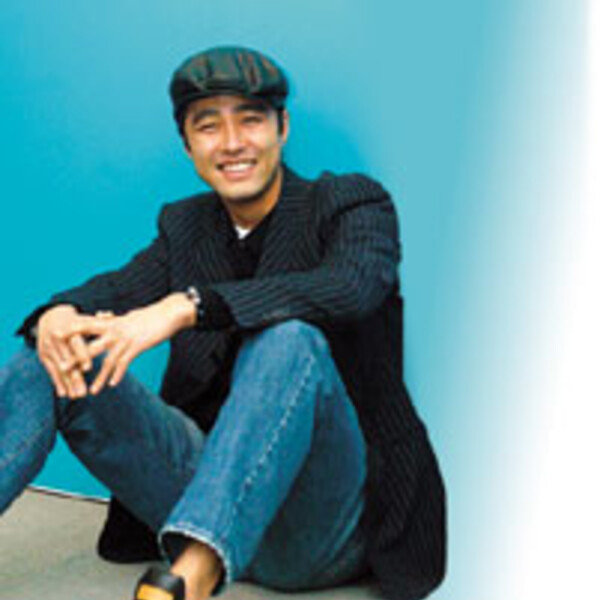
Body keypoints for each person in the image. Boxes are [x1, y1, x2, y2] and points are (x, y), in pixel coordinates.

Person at [0, 46, 446, 600]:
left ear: (282, 128)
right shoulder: (186, 227)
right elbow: (115, 288)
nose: (232, 143)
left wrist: (188, 306)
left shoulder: (349, 203)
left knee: (289, 338)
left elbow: (352, 286)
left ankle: (192, 575)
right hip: (199, 492)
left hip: (317, 528)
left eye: (251, 120)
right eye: (208, 127)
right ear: (189, 146)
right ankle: (201, 550)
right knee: (55, 347)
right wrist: (58, 314)